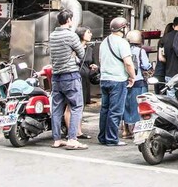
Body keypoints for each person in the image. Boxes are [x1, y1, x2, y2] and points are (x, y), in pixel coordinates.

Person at [49, 9, 87, 150]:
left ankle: (57, 139)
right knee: (76, 106)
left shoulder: (52, 35)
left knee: (57, 108)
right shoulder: (71, 36)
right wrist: (74, 55)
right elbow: (81, 53)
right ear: (69, 20)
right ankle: (72, 138)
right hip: (70, 75)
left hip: (56, 76)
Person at [98, 17, 136, 147]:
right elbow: (128, 63)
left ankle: (103, 137)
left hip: (104, 79)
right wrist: (133, 76)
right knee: (115, 111)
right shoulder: (122, 42)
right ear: (123, 28)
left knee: (105, 109)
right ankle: (112, 139)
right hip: (117, 80)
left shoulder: (104, 42)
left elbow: (100, 60)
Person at [64, 26, 95, 140]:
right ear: (81, 34)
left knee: (81, 106)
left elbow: (92, 63)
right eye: (88, 32)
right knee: (70, 106)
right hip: (73, 77)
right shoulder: (74, 48)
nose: (90, 34)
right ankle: (70, 131)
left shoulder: (90, 49)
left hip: (85, 79)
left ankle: (79, 131)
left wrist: (94, 67)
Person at [121, 29, 152, 140]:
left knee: (126, 105)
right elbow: (146, 65)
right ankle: (136, 131)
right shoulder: (140, 51)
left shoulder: (124, 50)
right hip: (139, 82)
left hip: (126, 81)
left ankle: (125, 130)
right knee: (138, 106)